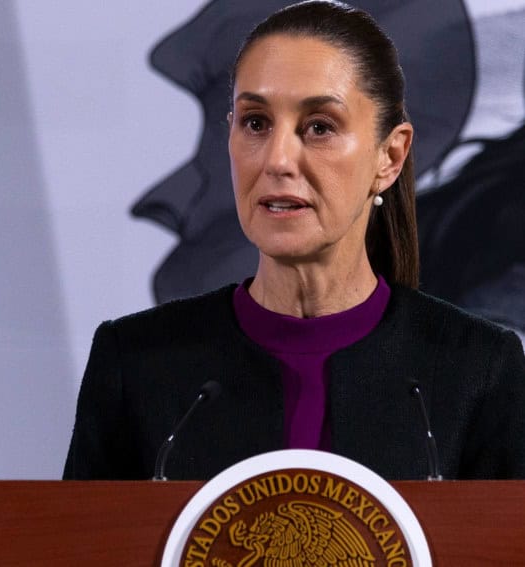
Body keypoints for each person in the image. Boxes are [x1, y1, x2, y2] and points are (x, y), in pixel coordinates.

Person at [63, 0, 525, 481]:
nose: (277, 160)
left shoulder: (478, 366)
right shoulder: (134, 363)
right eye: (256, 123)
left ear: (389, 157)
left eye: (319, 127)